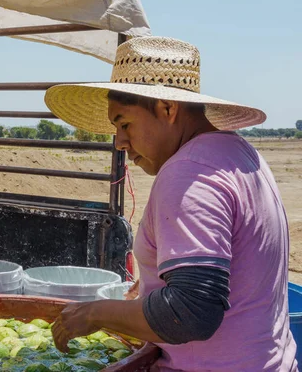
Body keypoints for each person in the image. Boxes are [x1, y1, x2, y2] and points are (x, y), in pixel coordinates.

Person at [44, 36, 297, 371]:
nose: (119, 141)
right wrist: (156, 282)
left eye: (124, 123)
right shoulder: (239, 154)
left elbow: (191, 313)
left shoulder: (187, 172)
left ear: (167, 108)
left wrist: (96, 312)